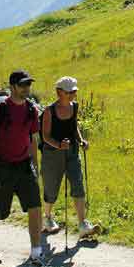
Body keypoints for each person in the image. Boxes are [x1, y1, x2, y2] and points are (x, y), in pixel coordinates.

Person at [0, 70, 45, 265]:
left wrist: (35, 165)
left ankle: (36, 252)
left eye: (28, 85)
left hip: (24, 166)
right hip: (1, 167)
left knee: (35, 207)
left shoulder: (31, 110)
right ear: (12, 86)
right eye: (22, 84)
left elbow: (33, 139)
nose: (26, 88)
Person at [41, 76, 96, 238]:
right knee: (51, 188)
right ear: (59, 92)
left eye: (74, 91)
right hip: (52, 155)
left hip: (72, 152)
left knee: (78, 185)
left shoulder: (74, 106)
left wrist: (81, 140)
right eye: (69, 91)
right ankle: (48, 218)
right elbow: (45, 136)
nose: (73, 94)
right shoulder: (49, 111)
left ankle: (83, 224)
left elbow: (74, 126)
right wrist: (59, 145)